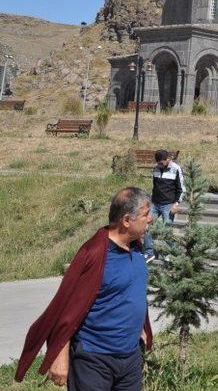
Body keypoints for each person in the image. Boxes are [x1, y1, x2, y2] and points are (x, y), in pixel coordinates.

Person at [16, 187, 153, 389]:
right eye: (145, 214)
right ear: (126, 221)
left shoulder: (136, 248)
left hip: (130, 358)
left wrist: (141, 327)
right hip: (93, 360)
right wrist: (60, 355)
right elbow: (66, 309)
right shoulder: (94, 254)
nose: (151, 219)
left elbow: (130, 292)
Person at [143, 150, 185, 260]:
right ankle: (149, 252)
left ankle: (175, 252)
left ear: (168, 159)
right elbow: (155, 186)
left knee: (166, 231)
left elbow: (181, 189)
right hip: (155, 203)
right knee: (146, 226)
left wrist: (176, 204)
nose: (159, 165)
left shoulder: (176, 169)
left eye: (161, 163)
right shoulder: (156, 168)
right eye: (158, 163)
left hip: (168, 205)